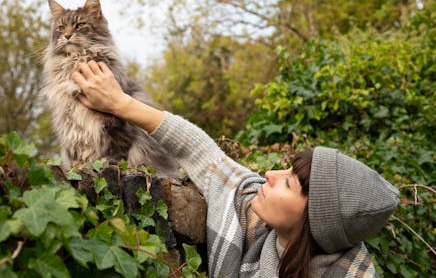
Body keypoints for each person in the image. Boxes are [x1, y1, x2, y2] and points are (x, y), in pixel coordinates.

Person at [71, 60, 400, 278]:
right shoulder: (253, 217)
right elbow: (204, 153)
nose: (270, 175)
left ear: (314, 220)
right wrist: (119, 103)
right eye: (284, 169)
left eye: (288, 184)